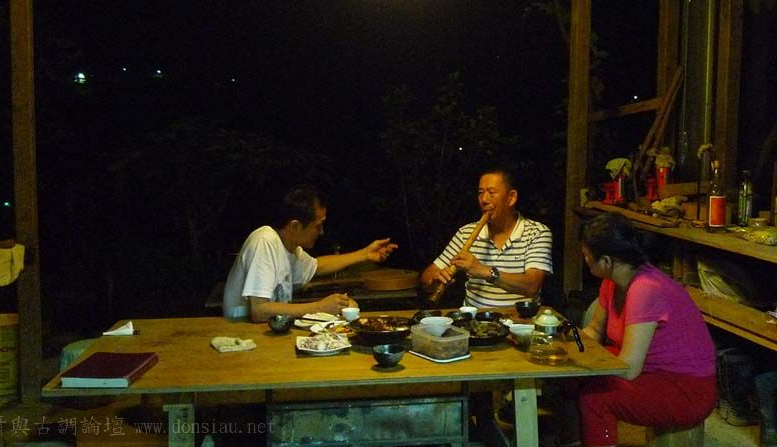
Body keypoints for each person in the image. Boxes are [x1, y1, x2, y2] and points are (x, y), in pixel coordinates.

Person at [574, 212, 717, 446]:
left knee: (595, 399)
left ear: (607, 261)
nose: (585, 258)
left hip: (687, 387)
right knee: (574, 379)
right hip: (652, 370)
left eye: (587, 254)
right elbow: (594, 331)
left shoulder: (645, 289)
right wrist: (564, 346)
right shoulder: (613, 281)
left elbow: (629, 369)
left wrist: (582, 364)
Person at [222, 185, 397, 322]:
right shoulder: (265, 240)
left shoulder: (290, 248)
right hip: (240, 334)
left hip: (266, 332)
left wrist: (364, 254)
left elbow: (318, 266)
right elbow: (259, 310)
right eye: (318, 225)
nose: (321, 232)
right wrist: (319, 307)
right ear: (295, 226)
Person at [420, 166, 552, 307]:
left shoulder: (537, 233)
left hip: (520, 319)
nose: (484, 199)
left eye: (491, 192)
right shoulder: (466, 232)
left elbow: (532, 286)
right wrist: (434, 281)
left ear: (511, 198)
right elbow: (427, 277)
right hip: (474, 318)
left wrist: (484, 271)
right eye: (480, 193)